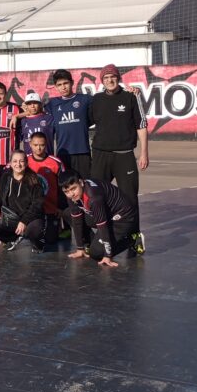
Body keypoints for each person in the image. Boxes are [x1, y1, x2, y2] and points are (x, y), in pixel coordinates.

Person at [90, 63, 149, 232]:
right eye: (106, 78)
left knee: (130, 198)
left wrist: (144, 153)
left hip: (124, 156)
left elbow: (141, 126)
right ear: (102, 81)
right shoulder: (96, 100)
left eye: (113, 77)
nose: (110, 80)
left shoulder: (130, 97)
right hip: (101, 155)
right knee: (96, 195)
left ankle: (133, 235)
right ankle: (102, 234)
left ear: (119, 78)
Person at [59, 170, 143, 267]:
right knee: (68, 213)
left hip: (123, 218)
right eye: (66, 191)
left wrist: (107, 255)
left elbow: (103, 226)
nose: (71, 194)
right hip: (106, 214)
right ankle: (91, 244)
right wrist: (80, 248)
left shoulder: (93, 198)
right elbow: (77, 220)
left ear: (81, 182)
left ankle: (132, 239)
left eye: (73, 189)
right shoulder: (72, 195)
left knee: (96, 253)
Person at [0, 150, 46, 252]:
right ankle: (12, 239)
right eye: (15, 161)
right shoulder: (6, 177)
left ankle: (37, 244)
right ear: (11, 163)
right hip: (10, 218)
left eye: (21, 161)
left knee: (35, 229)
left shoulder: (34, 180)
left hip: (29, 218)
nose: (18, 164)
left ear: (26, 163)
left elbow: (37, 205)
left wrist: (24, 221)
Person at [44, 68, 93, 179]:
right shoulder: (52, 104)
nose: (63, 87)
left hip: (82, 152)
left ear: (72, 83)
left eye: (65, 83)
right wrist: (18, 115)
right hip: (63, 153)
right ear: (56, 86)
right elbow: (35, 112)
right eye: (59, 85)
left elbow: (105, 100)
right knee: (65, 186)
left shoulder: (85, 99)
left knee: (85, 184)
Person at [26, 131, 65, 245]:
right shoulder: (24, 161)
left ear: (46, 144)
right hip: (30, 209)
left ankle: (57, 226)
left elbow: (64, 186)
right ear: (30, 144)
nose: (39, 148)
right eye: (35, 145)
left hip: (50, 209)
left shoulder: (55, 162)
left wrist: (60, 207)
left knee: (50, 240)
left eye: (42, 145)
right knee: (32, 234)